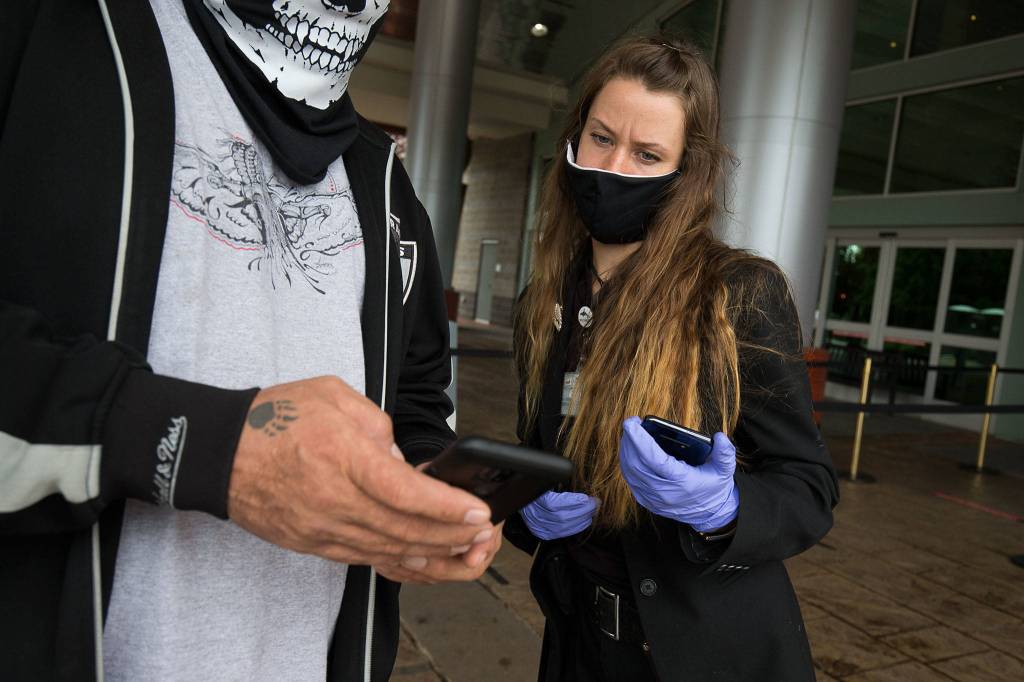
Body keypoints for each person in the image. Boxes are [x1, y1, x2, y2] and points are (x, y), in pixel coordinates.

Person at [0, 1, 501, 680]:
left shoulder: (383, 179)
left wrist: (418, 493)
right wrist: (207, 449)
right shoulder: (51, 38)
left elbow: (417, 390)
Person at [504, 35, 840, 681]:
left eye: (647, 153)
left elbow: (809, 487)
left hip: (700, 658)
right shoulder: (541, 302)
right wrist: (526, 511)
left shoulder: (737, 294)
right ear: (575, 138)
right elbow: (537, 451)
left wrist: (727, 509)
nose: (615, 167)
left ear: (686, 172)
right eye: (602, 138)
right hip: (578, 646)